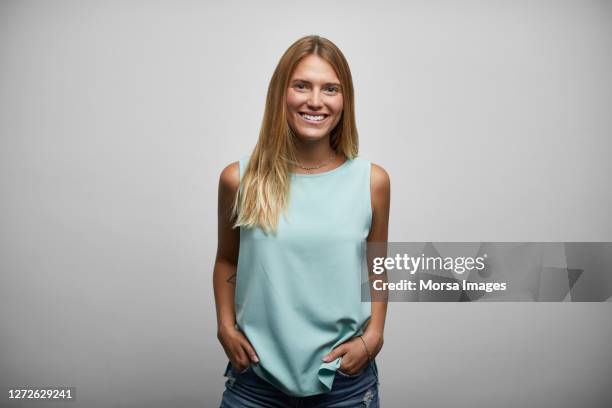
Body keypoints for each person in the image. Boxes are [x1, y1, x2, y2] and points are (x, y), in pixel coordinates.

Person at [213, 34, 390, 407]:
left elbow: (377, 266)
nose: (315, 101)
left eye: (330, 89)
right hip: (256, 383)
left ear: (345, 100)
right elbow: (228, 259)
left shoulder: (372, 182)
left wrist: (374, 336)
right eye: (301, 86)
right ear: (281, 93)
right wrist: (225, 327)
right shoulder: (239, 180)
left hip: (344, 383)